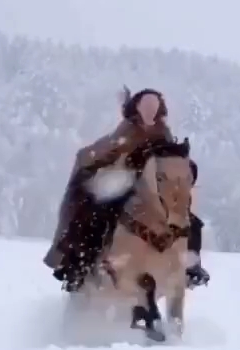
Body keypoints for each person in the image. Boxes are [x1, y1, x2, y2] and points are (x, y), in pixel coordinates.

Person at [43, 87, 211, 291]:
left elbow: (171, 159)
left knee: (188, 220)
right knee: (96, 214)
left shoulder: (163, 132)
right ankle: (80, 264)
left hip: (156, 188)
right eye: (146, 107)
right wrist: (99, 164)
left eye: (154, 108)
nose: (150, 112)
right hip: (124, 183)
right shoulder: (127, 130)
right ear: (137, 108)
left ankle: (191, 266)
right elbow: (102, 152)